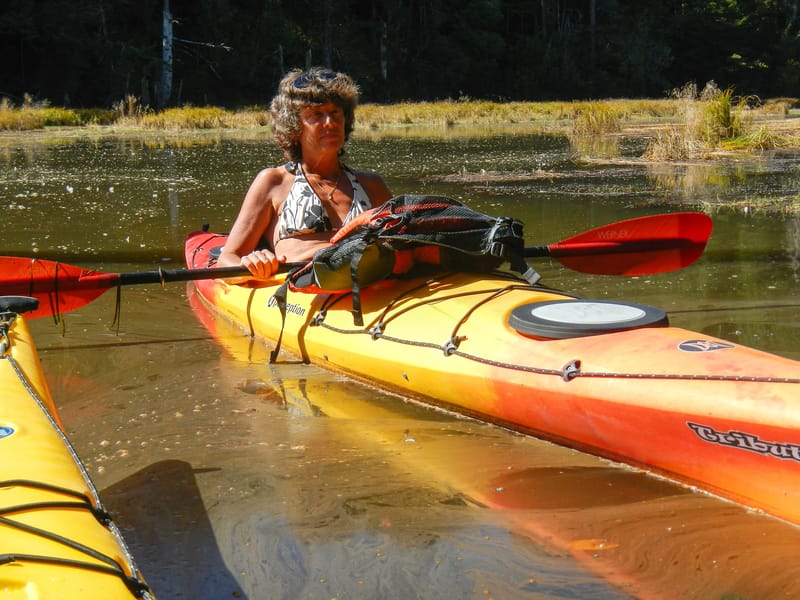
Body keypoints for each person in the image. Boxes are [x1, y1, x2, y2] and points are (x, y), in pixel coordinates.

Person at [217, 67, 393, 279]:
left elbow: (403, 247)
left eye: (335, 112)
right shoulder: (274, 182)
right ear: (294, 126)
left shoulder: (372, 184)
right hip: (302, 292)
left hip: (368, 285)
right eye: (317, 114)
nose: (330, 122)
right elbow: (227, 260)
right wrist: (252, 263)